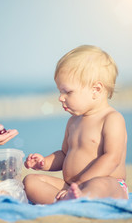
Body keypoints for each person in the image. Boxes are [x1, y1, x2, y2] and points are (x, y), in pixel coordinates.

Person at [23, 45, 128, 204]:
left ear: (96, 90)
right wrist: (44, 162)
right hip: (71, 186)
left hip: (108, 183)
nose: (60, 98)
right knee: (30, 181)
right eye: (60, 92)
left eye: (68, 92)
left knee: (100, 184)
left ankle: (78, 199)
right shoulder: (73, 121)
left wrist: (82, 182)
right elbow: (64, 155)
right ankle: (69, 202)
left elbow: (112, 158)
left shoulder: (111, 118)